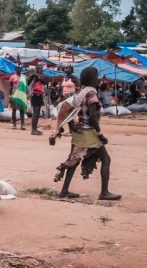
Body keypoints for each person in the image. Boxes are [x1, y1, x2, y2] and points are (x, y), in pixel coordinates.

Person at [52, 65, 121, 201]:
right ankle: (104, 192)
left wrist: (72, 126)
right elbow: (93, 116)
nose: (98, 79)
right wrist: (100, 134)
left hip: (78, 131)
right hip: (89, 132)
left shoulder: (80, 91)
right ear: (92, 79)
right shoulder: (91, 93)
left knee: (74, 161)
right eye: (96, 77)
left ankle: (64, 190)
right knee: (106, 159)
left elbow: (66, 108)